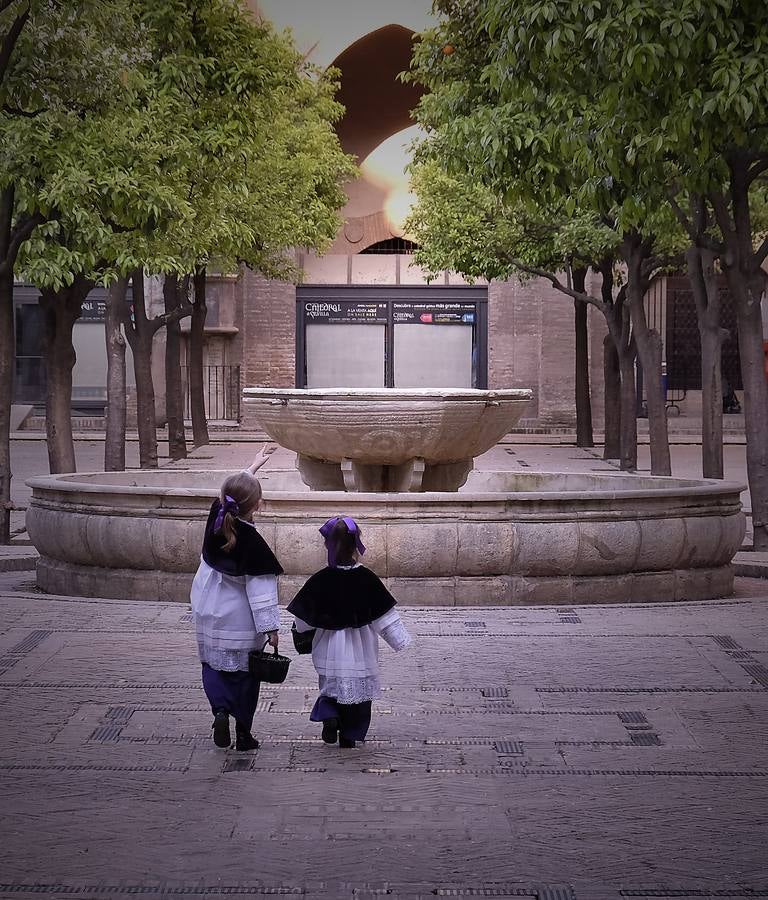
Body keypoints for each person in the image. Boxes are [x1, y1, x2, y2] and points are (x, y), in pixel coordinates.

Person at [288, 516, 411, 749]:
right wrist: (399, 639)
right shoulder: (366, 579)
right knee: (358, 699)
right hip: (360, 652)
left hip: (328, 652)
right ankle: (348, 735)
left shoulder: (321, 580)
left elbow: (303, 619)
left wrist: (300, 630)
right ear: (356, 545)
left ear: (327, 545)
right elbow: (384, 616)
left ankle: (330, 715)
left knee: (330, 688)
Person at [191, 447, 282, 751]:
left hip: (209, 608)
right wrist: (271, 629)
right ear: (258, 504)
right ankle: (243, 733)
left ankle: (219, 710)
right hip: (239, 618)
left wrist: (250, 469)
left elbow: (232, 494)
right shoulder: (253, 543)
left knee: (213, 666)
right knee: (245, 675)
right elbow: (262, 593)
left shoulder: (217, 517)